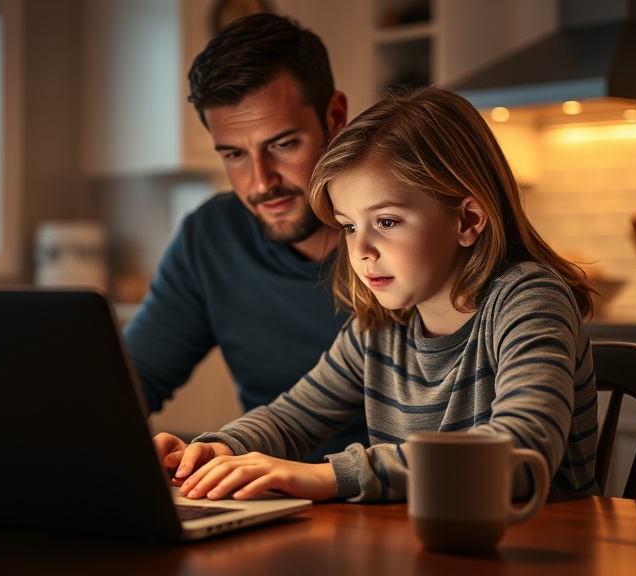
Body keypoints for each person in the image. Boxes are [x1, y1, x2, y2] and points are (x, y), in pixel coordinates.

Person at [153, 85, 601, 503]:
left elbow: (521, 452)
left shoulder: (528, 300)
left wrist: (328, 475)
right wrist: (216, 448)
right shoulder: (380, 328)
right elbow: (292, 418)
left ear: (467, 220)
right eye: (349, 226)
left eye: (385, 221)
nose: (360, 250)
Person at [123, 14, 368, 460]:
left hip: (399, 499)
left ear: (335, 117)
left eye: (282, 144)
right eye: (234, 154)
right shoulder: (212, 238)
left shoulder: (406, 240)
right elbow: (126, 384)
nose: (260, 183)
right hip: (270, 500)